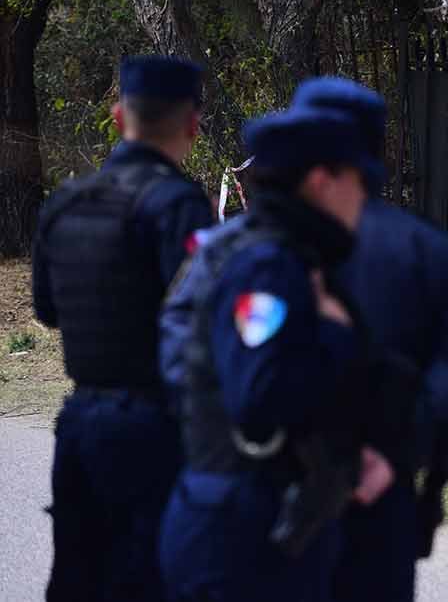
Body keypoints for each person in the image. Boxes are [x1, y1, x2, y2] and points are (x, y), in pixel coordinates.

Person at [157, 104, 394, 602]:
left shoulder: (267, 252)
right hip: (246, 534)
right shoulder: (268, 266)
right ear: (321, 182)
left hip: (255, 519)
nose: (365, 197)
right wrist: (334, 331)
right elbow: (261, 397)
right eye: (359, 180)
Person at [291, 77, 448, 602]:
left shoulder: (248, 245)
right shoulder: (429, 251)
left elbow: (189, 353)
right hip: (381, 499)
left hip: (273, 492)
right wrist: (397, 449)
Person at [31, 55, 214, 602]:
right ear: (193, 125)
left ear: (117, 117)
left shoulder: (65, 202)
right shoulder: (178, 206)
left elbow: (47, 310)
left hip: (81, 424)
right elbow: (203, 319)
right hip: (158, 429)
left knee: (78, 579)